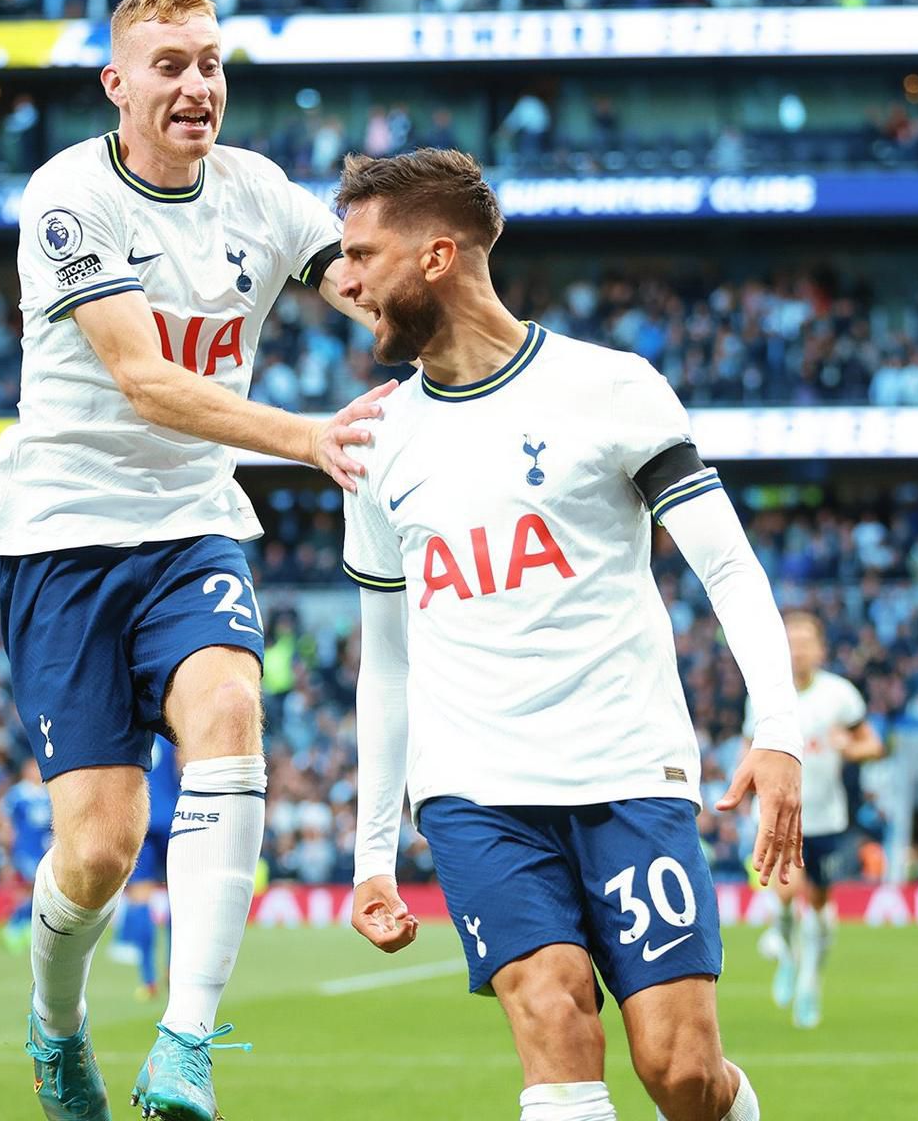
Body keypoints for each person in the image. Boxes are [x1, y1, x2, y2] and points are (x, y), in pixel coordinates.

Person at [0, 0, 389, 1121]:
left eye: (210, 63)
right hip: (62, 534)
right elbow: (147, 379)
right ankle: (56, 1029)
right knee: (100, 850)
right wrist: (307, 435)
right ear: (117, 83)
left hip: (193, 525)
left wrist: (470, 338)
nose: (197, 84)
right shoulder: (69, 196)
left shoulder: (259, 194)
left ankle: (187, 1042)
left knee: (230, 710)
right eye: (171, 65)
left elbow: (364, 284)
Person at [335, 148, 804, 1121]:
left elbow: (725, 562)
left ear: (436, 254)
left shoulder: (609, 387)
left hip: (628, 770)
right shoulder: (372, 440)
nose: (345, 280)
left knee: (680, 1071)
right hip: (476, 792)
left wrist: (779, 729)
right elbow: (386, 662)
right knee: (555, 1018)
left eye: (362, 254)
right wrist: (371, 849)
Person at [746, 609, 884, 1030]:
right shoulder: (765, 696)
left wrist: (850, 748)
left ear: (820, 649)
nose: (799, 649)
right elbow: (751, 749)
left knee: (821, 907)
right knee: (787, 899)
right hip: (780, 815)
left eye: (806, 641)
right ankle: (789, 958)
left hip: (826, 819)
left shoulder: (840, 696)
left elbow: (872, 745)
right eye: (791, 642)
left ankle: (810, 981)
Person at [110, 735, 180, 999]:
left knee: (140, 899)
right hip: (171, 815)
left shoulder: (127, 731)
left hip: (140, 818)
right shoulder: (167, 734)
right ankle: (174, 969)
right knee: (179, 897)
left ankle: (148, 978)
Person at [0, 757, 54, 954]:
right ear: (25, 771)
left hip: (44, 849)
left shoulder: (47, 792)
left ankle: (24, 926)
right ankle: (15, 926)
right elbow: (5, 821)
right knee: (30, 888)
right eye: (33, 768)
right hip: (24, 849)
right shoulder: (18, 794)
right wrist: (7, 845)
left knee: (38, 891)